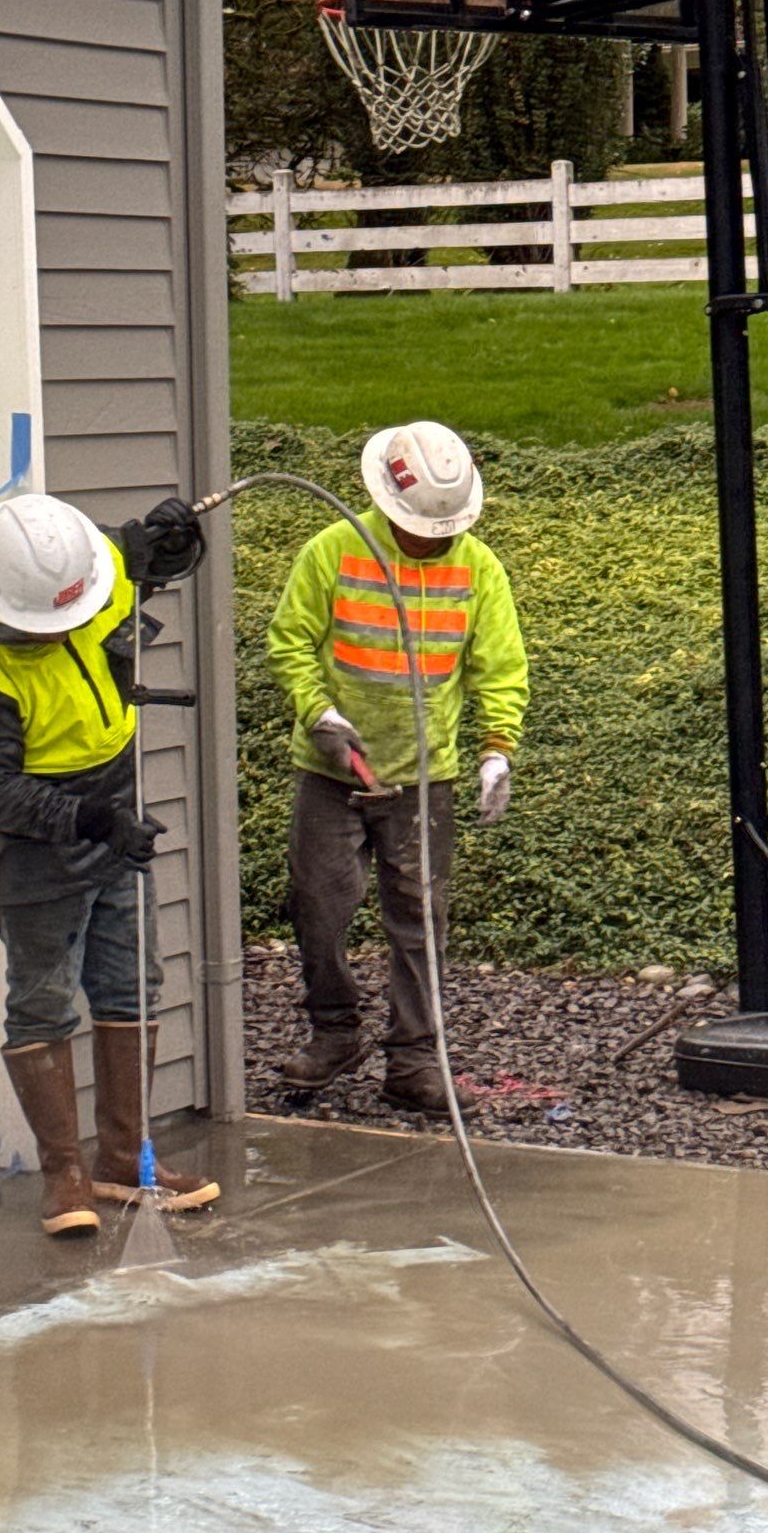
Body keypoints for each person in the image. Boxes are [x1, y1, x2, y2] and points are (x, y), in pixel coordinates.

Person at [0, 492, 218, 1237]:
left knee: (131, 981)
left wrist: (175, 546)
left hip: (113, 801)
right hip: (32, 843)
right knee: (44, 1000)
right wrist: (88, 820)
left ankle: (126, 1158)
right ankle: (65, 1174)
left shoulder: (95, 569)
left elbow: (145, 563)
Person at [266, 421, 529, 1117]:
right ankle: (335, 1031)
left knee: (420, 919)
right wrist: (318, 714)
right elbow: (290, 642)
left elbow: (498, 666)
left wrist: (496, 747)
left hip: (423, 776)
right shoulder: (333, 553)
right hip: (330, 774)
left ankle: (414, 1060)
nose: (431, 541)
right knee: (319, 907)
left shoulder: (478, 569)